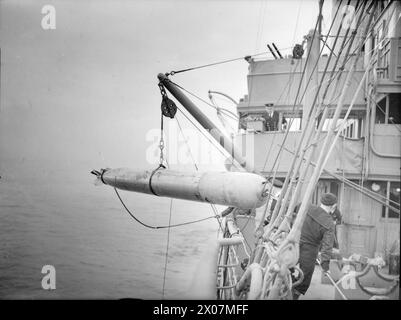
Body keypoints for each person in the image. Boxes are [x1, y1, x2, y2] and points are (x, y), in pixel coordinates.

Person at [292, 193, 338, 300]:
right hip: (310, 250)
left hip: (294, 243)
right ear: (333, 206)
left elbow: (292, 209)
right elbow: (327, 246)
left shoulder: (306, 206)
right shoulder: (329, 223)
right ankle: (293, 296)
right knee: (304, 278)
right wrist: (325, 265)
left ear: (321, 202)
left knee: (285, 268)